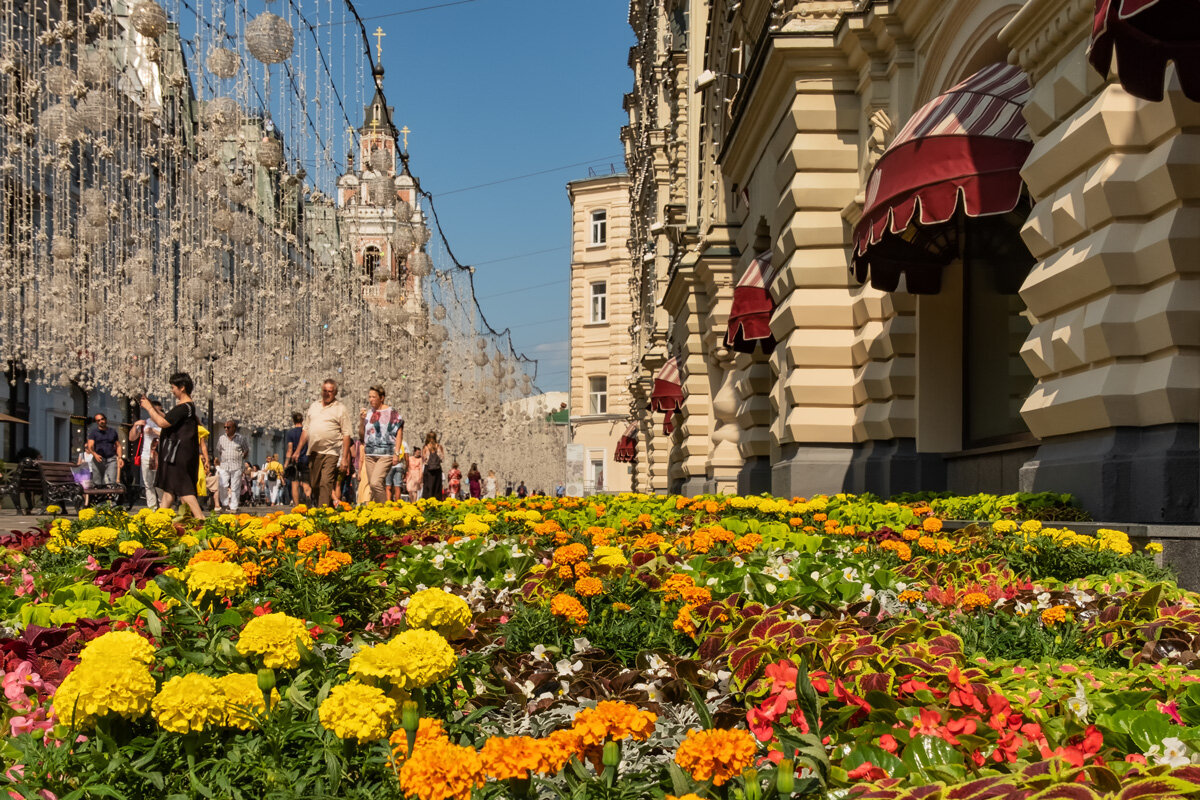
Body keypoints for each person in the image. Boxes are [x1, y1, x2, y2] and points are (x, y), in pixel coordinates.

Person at [141, 373, 205, 519]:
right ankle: (159, 521)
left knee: (185, 489)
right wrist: (151, 406)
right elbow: (168, 418)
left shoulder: (184, 407)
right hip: (178, 453)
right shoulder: (187, 407)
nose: (172, 391)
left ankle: (201, 520)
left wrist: (149, 409)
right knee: (169, 490)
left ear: (182, 388)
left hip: (178, 454)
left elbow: (163, 423)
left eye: (173, 387)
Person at [294, 379, 353, 507]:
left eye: (330, 391)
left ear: (335, 393)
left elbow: (346, 434)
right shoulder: (314, 406)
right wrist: (298, 450)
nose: (326, 394)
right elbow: (306, 430)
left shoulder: (340, 409)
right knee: (315, 484)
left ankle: (323, 513)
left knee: (325, 482)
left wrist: (344, 458)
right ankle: (328, 507)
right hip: (314, 452)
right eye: (324, 391)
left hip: (331, 451)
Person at [359, 386, 404, 504]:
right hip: (369, 454)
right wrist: (361, 421)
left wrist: (396, 452)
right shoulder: (368, 414)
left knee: (375, 482)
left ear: (382, 398)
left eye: (374, 397)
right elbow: (361, 436)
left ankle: (386, 509)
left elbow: (399, 432)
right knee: (374, 487)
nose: (371, 400)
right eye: (369, 397)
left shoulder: (391, 413)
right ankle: (376, 515)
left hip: (385, 454)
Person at [130, 400, 164, 507]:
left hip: (160, 456)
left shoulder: (163, 423)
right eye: (155, 411)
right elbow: (132, 438)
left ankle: (163, 506)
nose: (157, 413)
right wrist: (135, 425)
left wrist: (154, 432)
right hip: (146, 455)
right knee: (148, 483)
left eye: (159, 411)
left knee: (159, 484)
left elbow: (168, 437)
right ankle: (152, 507)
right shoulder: (145, 423)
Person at [214, 420, 249, 513]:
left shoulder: (241, 438)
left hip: (237, 465)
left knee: (235, 486)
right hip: (224, 465)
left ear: (234, 428)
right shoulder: (221, 438)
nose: (226, 429)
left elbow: (246, 450)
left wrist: (241, 458)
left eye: (228, 427)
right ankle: (225, 504)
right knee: (222, 484)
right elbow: (220, 450)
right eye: (224, 427)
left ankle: (233, 506)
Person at [85, 413, 122, 488]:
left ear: (105, 419)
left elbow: (118, 445)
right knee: (97, 482)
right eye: (98, 420)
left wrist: (120, 458)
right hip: (98, 459)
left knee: (110, 482)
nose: (101, 421)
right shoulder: (94, 433)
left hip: (111, 459)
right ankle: (98, 498)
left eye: (102, 419)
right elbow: (90, 446)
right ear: (96, 422)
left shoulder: (113, 432)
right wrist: (94, 454)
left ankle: (109, 499)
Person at [283, 412, 310, 506]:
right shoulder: (307, 431)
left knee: (295, 483)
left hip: (295, 461)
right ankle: (308, 496)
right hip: (306, 459)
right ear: (302, 420)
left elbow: (290, 449)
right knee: (306, 482)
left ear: (293, 421)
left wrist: (286, 463)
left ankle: (297, 506)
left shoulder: (291, 433)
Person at [421, 432, 445, 501]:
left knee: (428, 487)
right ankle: (437, 502)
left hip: (428, 469)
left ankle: (427, 503)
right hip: (437, 469)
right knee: (437, 487)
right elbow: (442, 458)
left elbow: (424, 459)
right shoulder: (439, 446)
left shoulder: (425, 447)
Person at [197, 423, 215, 510]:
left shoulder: (199, 429)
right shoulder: (180, 427)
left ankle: (196, 504)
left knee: (199, 480)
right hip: (183, 458)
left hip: (194, 459)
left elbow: (203, 446)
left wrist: (207, 459)